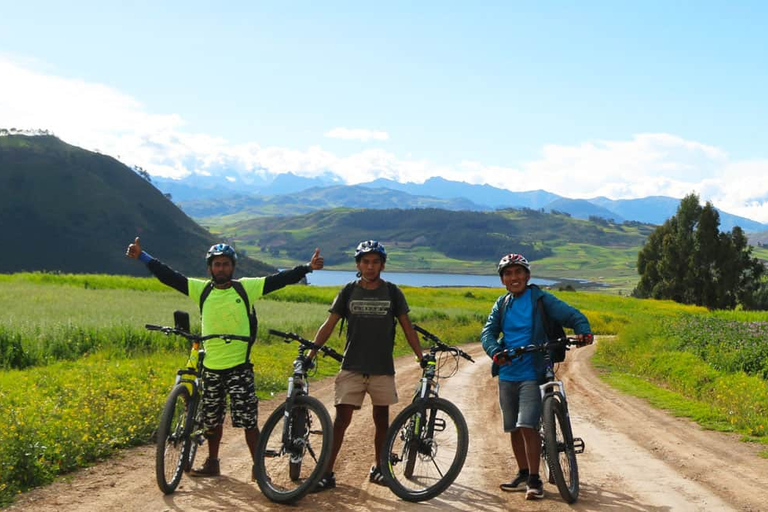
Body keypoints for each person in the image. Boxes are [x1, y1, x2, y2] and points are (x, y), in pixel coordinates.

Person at [125, 237, 324, 480]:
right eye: (217, 264)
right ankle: (213, 462)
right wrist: (143, 256)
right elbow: (170, 276)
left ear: (233, 267)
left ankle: (257, 468)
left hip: (239, 367)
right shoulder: (202, 290)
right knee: (212, 421)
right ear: (210, 268)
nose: (221, 268)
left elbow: (278, 281)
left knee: (249, 422)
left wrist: (307, 268)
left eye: (226, 264)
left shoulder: (245, 288)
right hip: (210, 367)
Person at [308, 240, 424, 492]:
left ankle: (379, 467)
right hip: (352, 365)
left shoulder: (393, 292)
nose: (370, 267)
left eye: (375, 262)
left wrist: (420, 356)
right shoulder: (348, 291)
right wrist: (312, 352)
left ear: (382, 265)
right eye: (365, 262)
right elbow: (328, 325)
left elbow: (407, 327)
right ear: (358, 264)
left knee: (382, 419)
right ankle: (326, 472)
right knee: (340, 421)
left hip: (382, 368)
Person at [480, 253, 592, 500]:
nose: (514, 277)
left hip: (534, 369)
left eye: (518, 272)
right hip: (508, 372)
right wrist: (496, 352)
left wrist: (583, 331)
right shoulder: (502, 304)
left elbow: (571, 314)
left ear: (527, 276)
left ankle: (535, 479)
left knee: (526, 425)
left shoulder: (540, 299)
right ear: (503, 280)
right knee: (513, 428)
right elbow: (488, 333)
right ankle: (522, 472)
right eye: (508, 273)